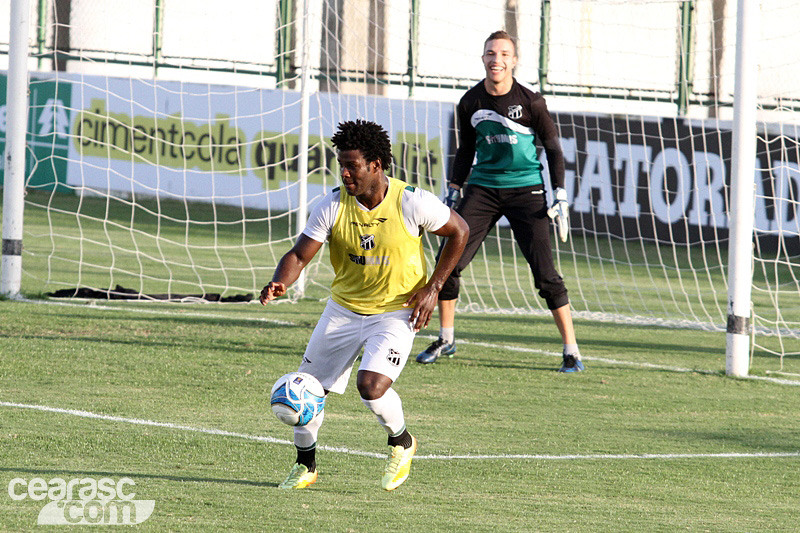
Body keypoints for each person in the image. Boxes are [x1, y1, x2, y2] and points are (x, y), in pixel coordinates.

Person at [261, 119, 469, 490]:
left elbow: (460, 231)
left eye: (351, 165)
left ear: (376, 165)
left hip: (396, 311)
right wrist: (281, 281)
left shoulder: (410, 201)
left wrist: (434, 287)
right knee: (304, 388)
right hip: (342, 310)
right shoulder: (333, 205)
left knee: (371, 386)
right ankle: (305, 466)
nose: (344, 172)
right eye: (340, 164)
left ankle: (402, 443)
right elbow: (299, 254)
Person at [415, 30, 584, 373]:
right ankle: (446, 339)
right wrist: (454, 188)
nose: (497, 60)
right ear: (483, 59)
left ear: (514, 60)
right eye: (491, 53)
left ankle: (572, 351)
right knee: (449, 260)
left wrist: (560, 194)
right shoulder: (470, 102)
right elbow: (465, 150)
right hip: (483, 188)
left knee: (546, 275)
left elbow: (553, 150)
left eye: (504, 54)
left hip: (526, 191)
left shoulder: (532, 102)